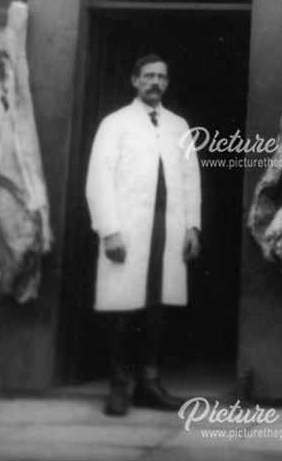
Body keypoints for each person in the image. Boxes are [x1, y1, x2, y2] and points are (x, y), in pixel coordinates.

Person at [85, 54, 201, 416]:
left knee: (156, 309)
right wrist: (109, 230)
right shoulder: (115, 124)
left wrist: (193, 226)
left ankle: (148, 383)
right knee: (121, 307)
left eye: (161, 77)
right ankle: (119, 384)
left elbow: (189, 179)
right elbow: (99, 180)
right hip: (128, 230)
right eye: (148, 76)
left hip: (167, 230)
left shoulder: (178, 125)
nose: (155, 82)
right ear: (134, 80)